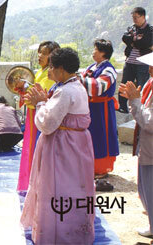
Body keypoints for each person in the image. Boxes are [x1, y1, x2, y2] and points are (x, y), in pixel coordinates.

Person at [20, 47, 95, 245]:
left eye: (52, 67)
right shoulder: (77, 86)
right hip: (78, 145)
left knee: (58, 187)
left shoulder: (64, 91)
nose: (50, 71)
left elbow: (47, 124)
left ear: (61, 69)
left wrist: (39, 104)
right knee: (76, 187)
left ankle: (58, 235)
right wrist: (45, 101)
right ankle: (77, 231)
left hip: (63, 147)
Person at [118, 50, 153, 239]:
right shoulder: (150, 83)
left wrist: (134, 101)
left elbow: (149, 122)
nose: (149, 69)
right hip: (146, 145)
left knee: (150, 186)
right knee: (145, 185)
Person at [17, 40, 60, 192]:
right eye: (39, 52)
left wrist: (26, 89)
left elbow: (43, 94)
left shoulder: (50, 74)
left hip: (40, 114)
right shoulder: (40, 72)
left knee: (37, 149)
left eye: (44, 53)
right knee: (31, 149)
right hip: (32, 113)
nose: (40, 56)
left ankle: (39, 185)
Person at [79, 38, 119, 178]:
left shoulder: (109, 69)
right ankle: (89, 166)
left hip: (103, 109)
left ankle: (101, 168)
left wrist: (80, 79)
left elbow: (98, 87)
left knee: (102, 136)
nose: (93, 52)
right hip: (91, 107)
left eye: (96, 49)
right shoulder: (92, 67)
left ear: (103, 52)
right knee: (91, 136)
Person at [118, 7, 152, 112]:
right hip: (130, 62)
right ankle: (123, 107)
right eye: (133, 17)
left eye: (136, 17)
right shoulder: (131, 28)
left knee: (142, 86)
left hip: (142, 64)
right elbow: (125, 38)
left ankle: (142, 109)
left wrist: (133, 41)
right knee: (124, 85)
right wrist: (137, 40)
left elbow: (146, 43)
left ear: (143, 16)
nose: (134, 20)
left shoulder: (150, 30)